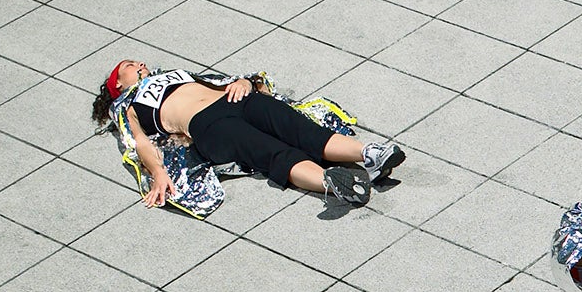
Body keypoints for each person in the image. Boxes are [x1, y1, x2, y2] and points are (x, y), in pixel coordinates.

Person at [92, 61, 401, 215]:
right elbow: (140, 142)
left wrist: (240, 82)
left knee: (302, 130)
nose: (141, 65)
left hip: (233, 100)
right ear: (118, 84)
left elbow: (213, 80)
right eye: (131, 66)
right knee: (271, 152)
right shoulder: (128, 105)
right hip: (207, 125)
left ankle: (369, 155)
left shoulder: (172, 73)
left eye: (140, 62)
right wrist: (158, 174)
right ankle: (328, 182)